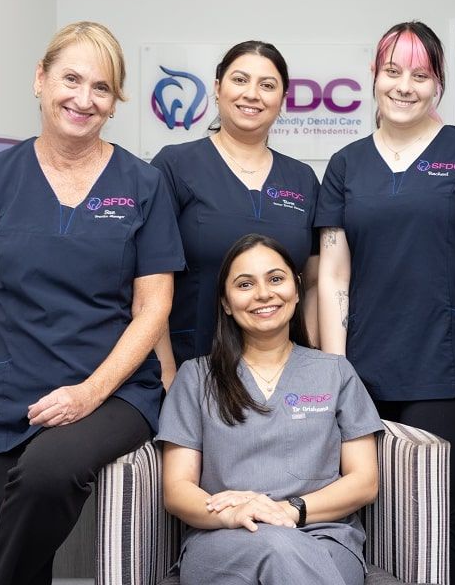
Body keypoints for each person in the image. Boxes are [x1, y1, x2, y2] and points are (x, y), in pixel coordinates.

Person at [0, 22, 184, 584]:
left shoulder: (143, 184)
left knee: (46, 475)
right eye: (71, 80)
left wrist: (88, 393)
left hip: (114, 392)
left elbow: (154, 307)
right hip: (11, 383)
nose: (84, 99)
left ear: (115, 100)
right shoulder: (1, 178)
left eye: (101, 87)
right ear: (40, 79)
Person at [316, 21, 455, 585]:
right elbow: (334, 273)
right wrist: (337, 370)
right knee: (365, 516)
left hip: (446, 367)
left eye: (420, 75)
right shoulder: (346, 164)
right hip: (363, 368)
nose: (404, 86)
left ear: (439, 83)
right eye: (392, 72)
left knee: (431, 517)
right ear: (374, 76)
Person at [157, 233, 382, 585]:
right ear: (226, 302)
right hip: (224, 537)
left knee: (283, 548)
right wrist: (233, 513)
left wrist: (291, 510)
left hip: (322, 536)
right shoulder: (196, 377)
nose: (263, 294)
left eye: (276, 279)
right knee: (277, 547)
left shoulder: (335, 372)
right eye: (245, 284)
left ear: (296, 289)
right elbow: (177, 489)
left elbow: (364, 482)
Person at [151, 41, 320, 385]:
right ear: (217, 88)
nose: (252, 94)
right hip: (192, 367)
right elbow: (150, 283)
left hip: (283, 375)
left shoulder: (302, 179)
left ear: (282, 100)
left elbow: (314, 283)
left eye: (267, 85)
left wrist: (312, 363)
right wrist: (167, 373)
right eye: (240, 80)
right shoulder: (175, 166)